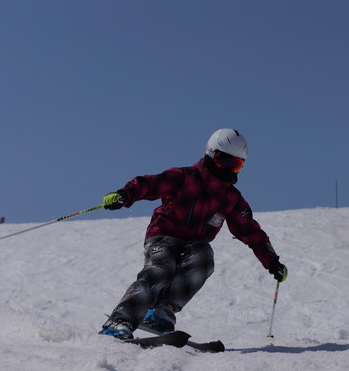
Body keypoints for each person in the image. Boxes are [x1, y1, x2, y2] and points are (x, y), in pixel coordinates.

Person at [99, 128, 288, 339]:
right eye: (223, 160)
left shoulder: (231, 198)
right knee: (162, 267)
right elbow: (151, 184)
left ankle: (161, 314)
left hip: (194, 244)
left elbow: (250, 230)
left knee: (204, 258)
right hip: (164, 235)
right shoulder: (184, 177)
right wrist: (124, 195)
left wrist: (272, 261)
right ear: (210, 154)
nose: (227, 169)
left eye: (236, 165)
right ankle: (119, 321)